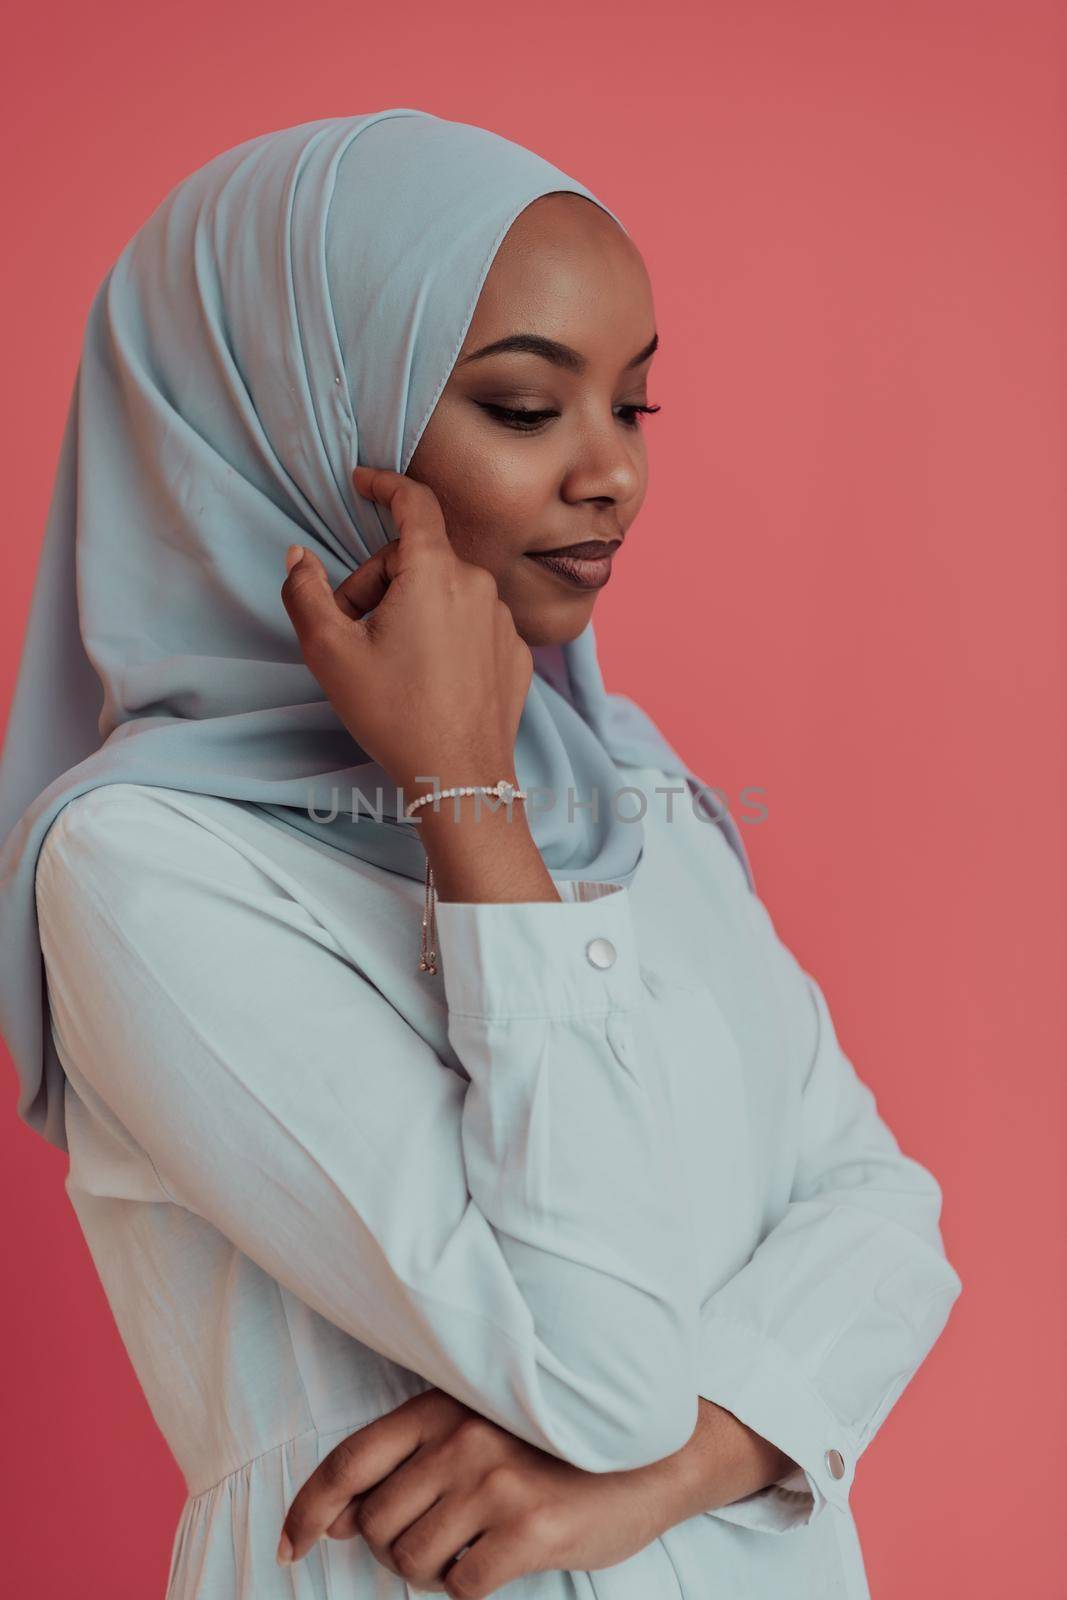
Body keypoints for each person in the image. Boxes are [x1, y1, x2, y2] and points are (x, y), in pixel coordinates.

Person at [0, 109, 962, 1600]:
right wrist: (462, 796)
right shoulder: (141, 868)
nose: (613, 478)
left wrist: (681, 1469)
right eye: (525, 409)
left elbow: (886, 1217)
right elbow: (598, 1370)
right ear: (298, 425)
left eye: (634, 409)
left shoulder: (628, 781)